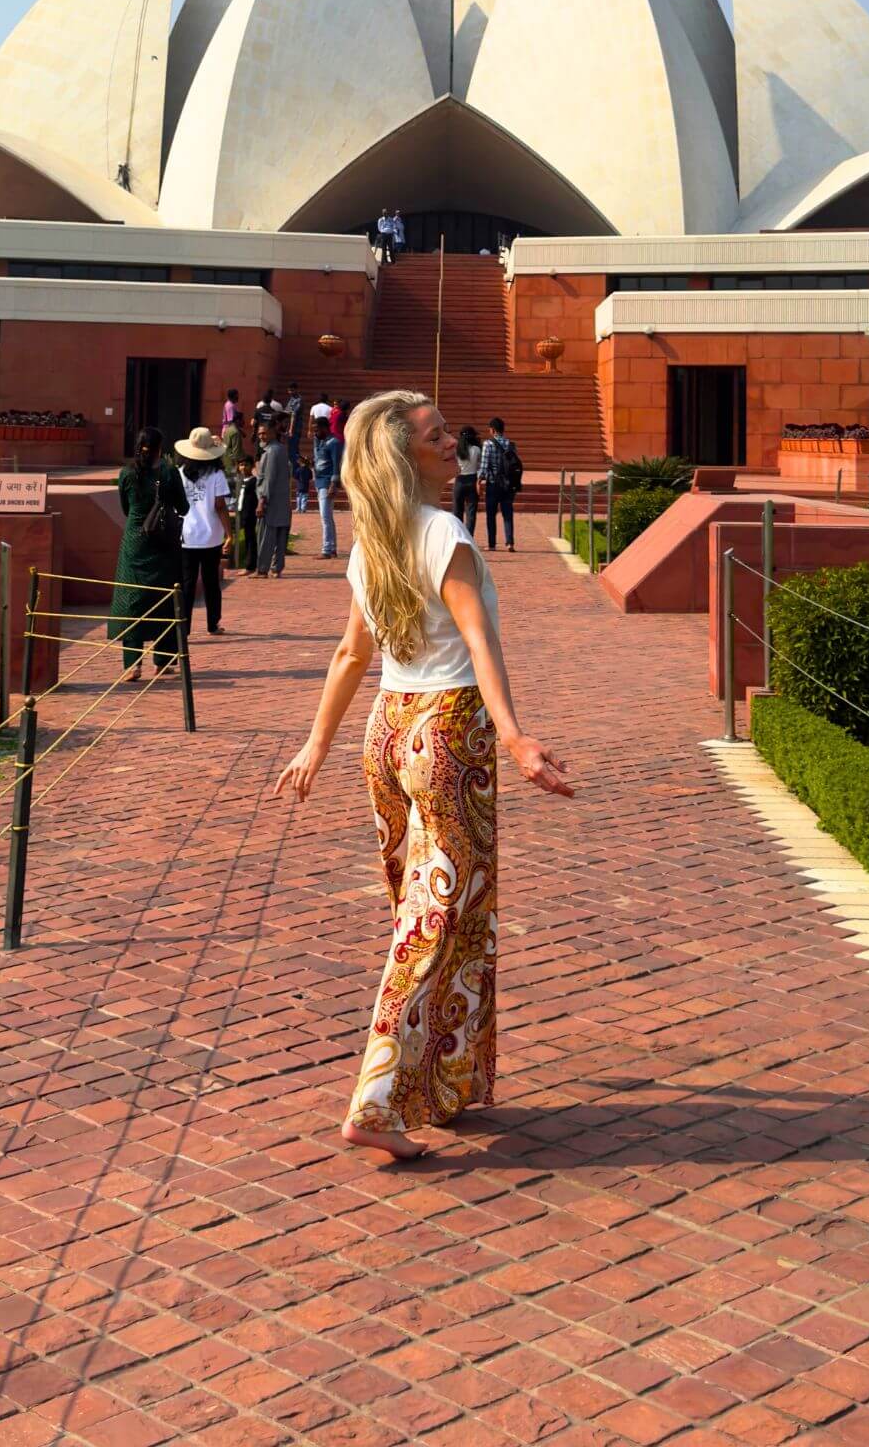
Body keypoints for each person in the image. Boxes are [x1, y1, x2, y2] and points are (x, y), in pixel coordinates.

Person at [274, 390, 573, 1161]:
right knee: (435, 921)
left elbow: (351, 656)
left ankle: (444, 1078)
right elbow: (479, 642)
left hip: (388, 731)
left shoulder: (370, 541)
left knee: (437, 913)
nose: (452, 443)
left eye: (447, 431)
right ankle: (377, 1103)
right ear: (404, 456)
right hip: (448, 733)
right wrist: (515, 738)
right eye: (437, 436)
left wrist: (316, 747)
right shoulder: (444, 534)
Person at [108, 426, 187, 681]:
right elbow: (183, 506)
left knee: (132, 600)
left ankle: (132, 664)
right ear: (160, 448)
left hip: (135, 542)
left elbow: (125, 508)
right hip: (163, 543)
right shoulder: (169, 471)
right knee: (164, 599)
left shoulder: (127, 473)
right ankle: (163, 660)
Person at [175, 426, 233, 634]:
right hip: (211, 537)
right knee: (211, 582)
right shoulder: (216, 474)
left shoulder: (179, 473)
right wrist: (229, 533)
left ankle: (184, 627)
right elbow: (220, 505)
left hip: (186, 536)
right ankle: (213, 623)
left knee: (187, 584)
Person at [478, 416, 521, 552]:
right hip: (508, 484)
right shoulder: (510, 444)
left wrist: (479, 480)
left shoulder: (488, 444)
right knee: (507, 513)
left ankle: (492, 544)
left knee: (491, 514)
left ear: (493, 430)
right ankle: (510, 543)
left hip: (493, 483)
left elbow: (484, 466)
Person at [257, 421, 293, 577]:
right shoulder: (281, 449)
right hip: (282, 500)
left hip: (271, 501)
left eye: (264, 433)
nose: (261, 436)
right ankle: (277, 568)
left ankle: (262, 569)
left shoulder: (271, 451)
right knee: (279, 536)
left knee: (266, 537)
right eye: (259, 433)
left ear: (272, 432)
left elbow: (269, 479)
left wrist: (262, 501)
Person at [312, 410, 342, 559]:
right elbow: (319, 460)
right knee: (327, 516)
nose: (315, 433)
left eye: (317, 430)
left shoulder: (334, 442)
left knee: (325, 516)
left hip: (327, 481)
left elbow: (337, 464)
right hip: (319, 480)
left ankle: (327, 549)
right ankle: (332, 547)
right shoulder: (320, 441)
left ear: (325, 428)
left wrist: (334, 484)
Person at [452, 424, 482, 535]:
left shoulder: (457, 449)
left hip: (459, 480)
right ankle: (469, 536)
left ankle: (458, 535)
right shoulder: (476, 449)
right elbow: (479, 466)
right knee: (471, 512)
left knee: (457, 511)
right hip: (472, 480)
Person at [237, 455, 259, 573]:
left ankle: (250, 566)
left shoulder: (254, 481)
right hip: (242, 512)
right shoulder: (239, 481)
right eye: (241, 465)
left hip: (250, 513)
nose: (243, 467)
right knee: (247, 538)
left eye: (246, 465)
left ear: (252, 466)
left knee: (251, 539)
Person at [285, 382, 304, 463]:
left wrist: (291, 430)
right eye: (289, 391)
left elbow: (294, 415)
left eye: (292, 390)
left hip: (295, 428)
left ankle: (296, 465)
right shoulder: (291, 399)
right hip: (290, 426)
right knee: (290, 448)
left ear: (296, 390)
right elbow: (287, 411)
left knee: (294, 447)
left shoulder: (299, 400)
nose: (290, 392)